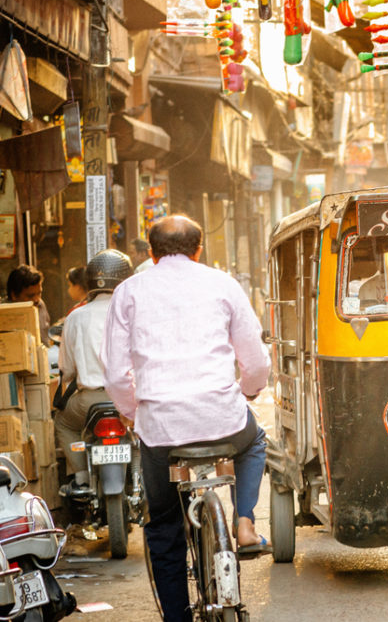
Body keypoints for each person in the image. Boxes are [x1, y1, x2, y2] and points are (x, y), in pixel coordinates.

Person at [103, 215, 270, 622]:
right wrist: (247, 391)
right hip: (223, 417)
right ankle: (244, 521)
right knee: (255, 442)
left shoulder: (129, 291)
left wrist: (131, 413)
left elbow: (114, 372)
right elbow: (255, 360)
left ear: (151, 251)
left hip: (160, 427)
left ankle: (177, 617)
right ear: (199, 250)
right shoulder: (223, 284)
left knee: (162, 523)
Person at [55, 250, 133, 497]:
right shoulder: (133, 311)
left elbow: (66, 369)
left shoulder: (76, 316)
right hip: (132, 396)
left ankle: (81, 477)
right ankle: (144, 478)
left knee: (63, 422)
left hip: (90, 401)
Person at [6, 264, 51, 346]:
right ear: (14, 295)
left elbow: (45, 341)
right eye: (30, 296)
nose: (37, 299)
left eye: (39, 293)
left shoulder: (40, 305)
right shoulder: (1, 314)